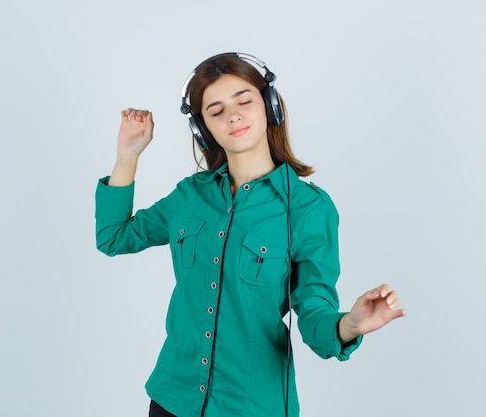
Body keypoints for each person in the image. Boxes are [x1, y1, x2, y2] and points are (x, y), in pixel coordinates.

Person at [95, 53, 406, 417]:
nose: (233, 115)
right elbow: (114, 237)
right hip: (171, 400)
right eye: (216, 110)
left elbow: (313, 308)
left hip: (252, 406)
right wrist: (127, 155)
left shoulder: (309, 209)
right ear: (202, 128)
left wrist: (349, 325)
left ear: (270, 107)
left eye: (244, 101)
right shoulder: (189, 196)